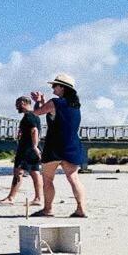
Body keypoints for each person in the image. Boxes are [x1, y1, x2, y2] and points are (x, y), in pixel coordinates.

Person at [31, 73, 88, 217]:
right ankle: (81, 209)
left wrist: (38, 101)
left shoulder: (55, 102)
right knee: (73, 178)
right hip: (72, 146)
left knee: (48, 179)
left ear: (62, 87)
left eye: (54, 86)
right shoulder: (76, 106)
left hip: (54, 147)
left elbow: (37, 112)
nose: (52, 89)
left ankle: (48, 209)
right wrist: (44, 102)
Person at [0, 96, 43, 206]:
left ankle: (10, 198)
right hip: (33, 150)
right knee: (35, 173)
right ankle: (38, 198)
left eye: (17, 104)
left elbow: (34, 130)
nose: (16, 107)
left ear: (23, 103)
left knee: (18, 172)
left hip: (26, 149)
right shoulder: (35, 115)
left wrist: (34, 146)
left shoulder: (28, 116)